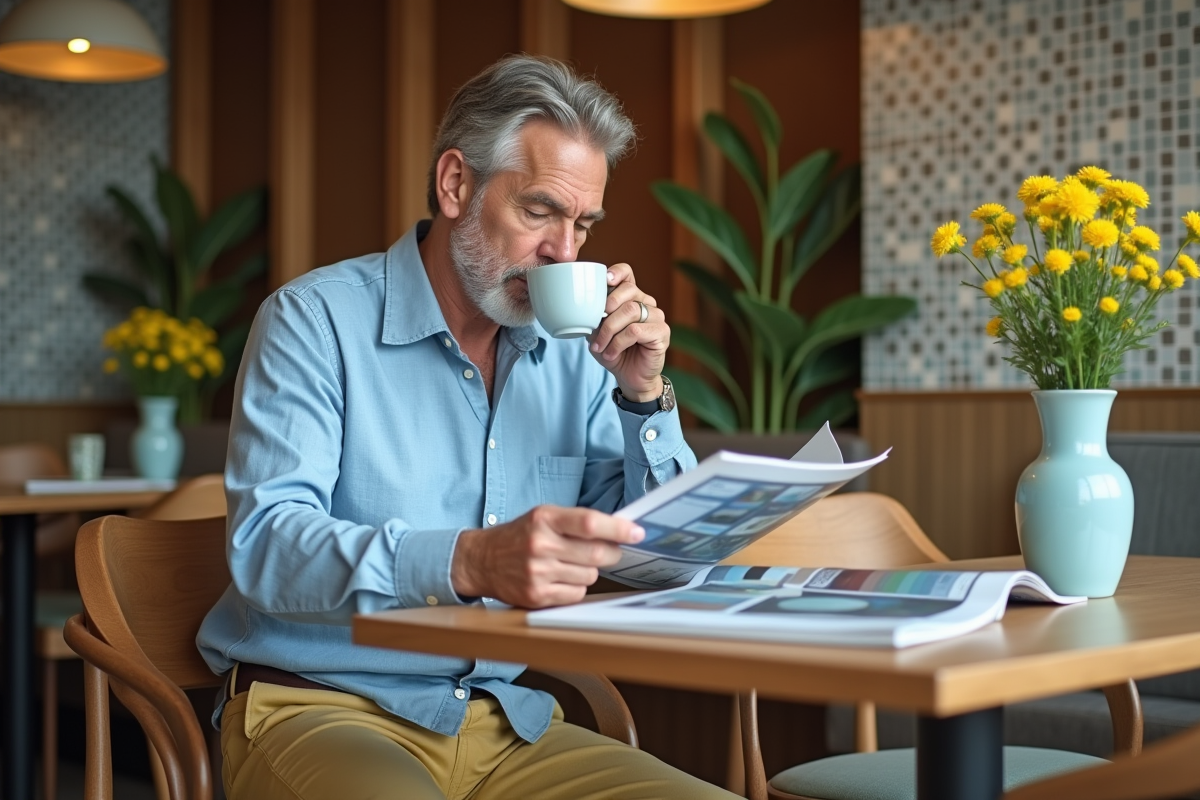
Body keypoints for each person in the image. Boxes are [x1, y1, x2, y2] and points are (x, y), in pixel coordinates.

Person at [197, 55, 739, 800]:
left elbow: (671, 566)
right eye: (540, 211)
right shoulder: (313, 321)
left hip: (500, 722)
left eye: (583, 223)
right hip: (317, 705)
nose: (566, 252)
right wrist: (467, 561)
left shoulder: (578, 359)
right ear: (456, 184)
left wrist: (644, 396)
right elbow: (265, 549)